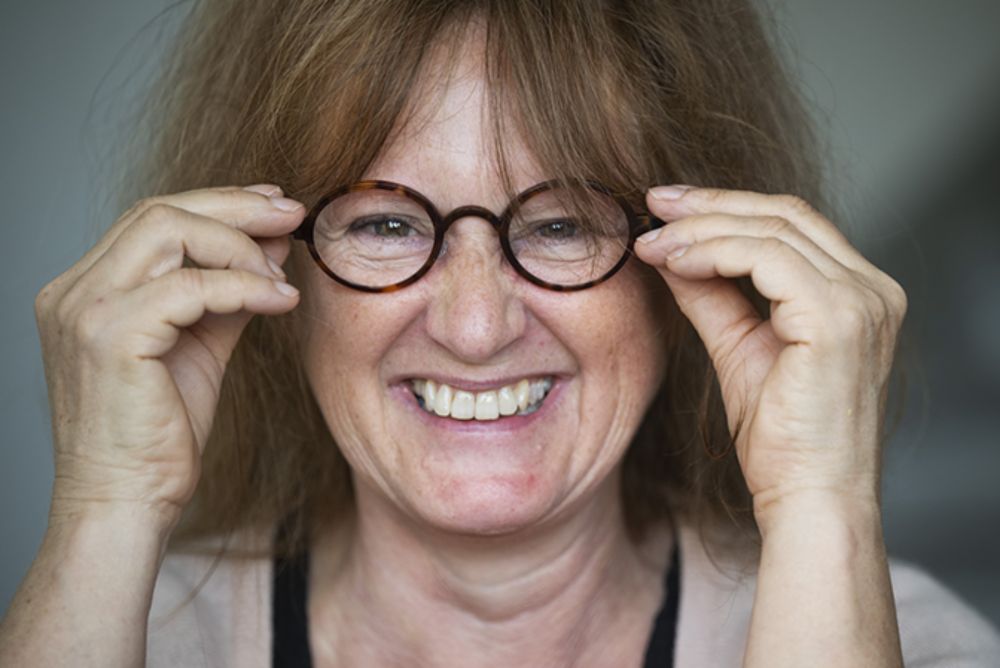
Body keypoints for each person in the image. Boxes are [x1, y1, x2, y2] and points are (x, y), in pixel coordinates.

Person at [2, 1, 999, 666]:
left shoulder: (893, 638)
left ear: (691, 270)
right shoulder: (127, 632)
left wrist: (823, 504)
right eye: (385, 225)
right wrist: (105, 508)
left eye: (561, 225)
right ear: (272, 266)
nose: (476, 327)